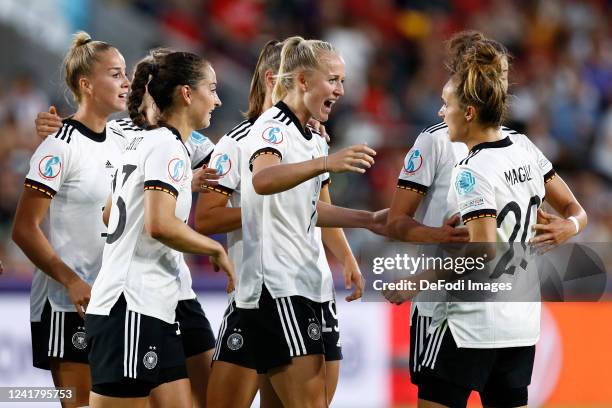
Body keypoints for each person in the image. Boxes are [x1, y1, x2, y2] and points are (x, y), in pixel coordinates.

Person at [384, 31, 587, 391]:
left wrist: (569, 226)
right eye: (495, 72)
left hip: (467, 313)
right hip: (484, 311)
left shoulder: (502, 152)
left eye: (503, 73)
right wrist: (438, 235)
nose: (502, 82)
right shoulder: (438, 141)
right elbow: (396, 221)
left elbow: (482, 247)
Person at [197, 39, 386, 408]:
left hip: (309, 281)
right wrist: (268, 209)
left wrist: (362, 229)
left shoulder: (313, 137)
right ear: (286, 79)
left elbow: (315, 207)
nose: (340, 90)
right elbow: (216, 211)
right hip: (272, 284)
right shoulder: (247, 138)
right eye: (332, 79)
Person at [34, 48, 221, 408]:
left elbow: (228, 159)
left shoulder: (177, 140)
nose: (126, 84)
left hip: (164, 294)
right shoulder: (133, 135)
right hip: (123, 293)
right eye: (117, 74)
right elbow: (156, 222)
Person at [85, 51, 234, 408]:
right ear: (186, 94)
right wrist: (214, 249)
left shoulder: (147, 141)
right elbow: (159, 224)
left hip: (154, 307)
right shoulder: (167, 146)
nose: (217, 99)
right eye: (211, 89)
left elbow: (110, 213)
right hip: (130, 305)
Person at [12, 31, 130, 407]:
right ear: (86, 84)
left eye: (125, 73)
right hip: (66, 303)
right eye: (115, 74)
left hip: (114, 299)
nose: (126, 82)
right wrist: (72, 281)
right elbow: (24, 229)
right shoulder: (58, 146)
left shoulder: (123, 140)